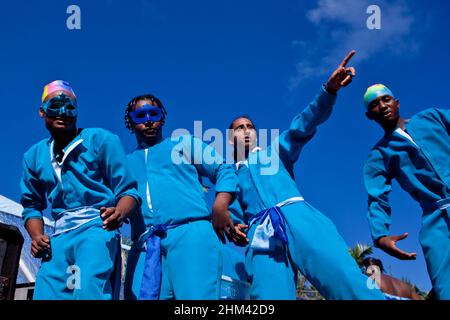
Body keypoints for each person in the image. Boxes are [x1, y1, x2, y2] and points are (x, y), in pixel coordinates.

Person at [223, 51, 385, 300]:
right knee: (268, 297)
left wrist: (328, 91)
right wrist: (236, 228)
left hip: (299, 217)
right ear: (230, 138)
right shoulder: (229, 176)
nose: (245, 131)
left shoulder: (274, 151)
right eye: (238, 128)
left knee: (345, 280)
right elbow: (232, 215)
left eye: (250, 127)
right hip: (261, 237)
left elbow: (303, 125)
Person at [20, 80, 140, 300]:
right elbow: (32, 205)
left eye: (70, 107)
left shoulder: (101, 140)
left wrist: (119, 213)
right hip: (57, 239)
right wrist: (36, 236)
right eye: (55, 106)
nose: (63, 112)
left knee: (88, 290)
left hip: (96, 227)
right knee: (46, 293)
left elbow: (129, 191)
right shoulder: (33, 156)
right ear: (41, 111)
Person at [123, 94, 238, 299]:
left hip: (191, 235)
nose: (148, 120)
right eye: (140, 115)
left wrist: (220, 205)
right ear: (130, 122)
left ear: (163, 118)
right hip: (145, 245)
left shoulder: (184, 144)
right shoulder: (124, 164)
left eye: (154, 113)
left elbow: (223, 169)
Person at [363, 83, 450, 300]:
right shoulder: (379, 155)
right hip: (436, 218)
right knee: (444, 286)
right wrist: (380, 235)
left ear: (397, 103)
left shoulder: (432, 118)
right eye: (374, 105)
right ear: (369, 116)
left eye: (386, 99)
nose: (382, 106)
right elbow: (377, 197)